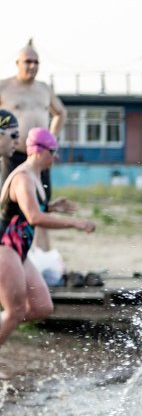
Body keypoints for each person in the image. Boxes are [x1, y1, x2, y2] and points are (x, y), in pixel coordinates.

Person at [0, 128, 94, 356]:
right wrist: (76, 223)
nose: (56, 156)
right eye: (53, 151)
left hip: (19, 250)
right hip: (5, 247)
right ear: (39, 151)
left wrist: (51, 206)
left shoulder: (33, 176)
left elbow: (23, 210)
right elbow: (33, 217)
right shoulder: (23, 177)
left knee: (42, 306)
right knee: (15, 311)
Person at [0, 43, 68, 252]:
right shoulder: (5, 87)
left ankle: (43, 257)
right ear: (17, 63)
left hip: (39, 158)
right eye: (28, 61)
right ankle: (6, 254)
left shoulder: (43, 89)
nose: (32, 66)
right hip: (13, 155)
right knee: (10, 209)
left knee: (41, 207)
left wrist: (51, 139)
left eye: (36, 62)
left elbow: (61, 113)